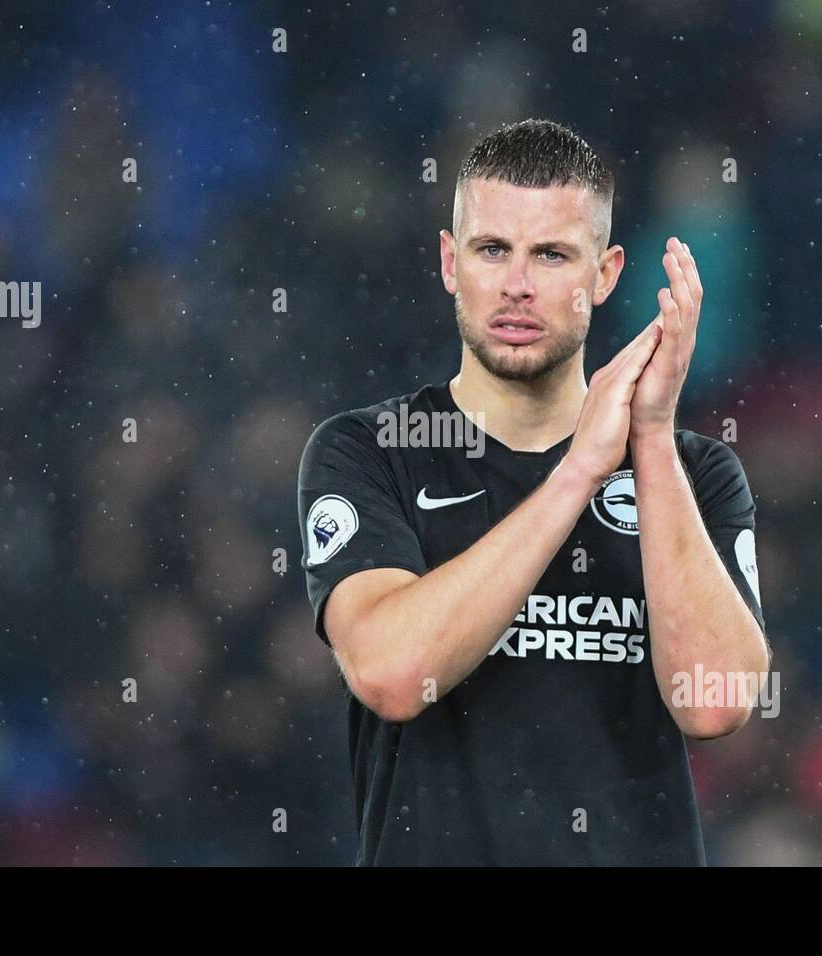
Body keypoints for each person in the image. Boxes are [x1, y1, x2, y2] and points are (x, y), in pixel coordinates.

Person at [297, 118, 770, 865]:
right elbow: (390, 675)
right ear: (451, 262)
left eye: (552, 255)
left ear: (606, 274)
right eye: (493, 250)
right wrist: (578, 471)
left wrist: (646, 441)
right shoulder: (370, 452)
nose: (517, 285)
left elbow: (714, 702)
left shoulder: (694, 473)